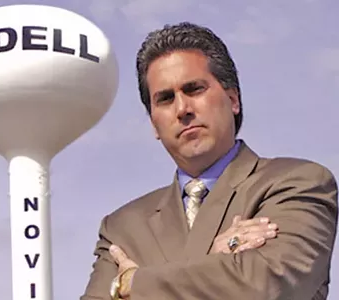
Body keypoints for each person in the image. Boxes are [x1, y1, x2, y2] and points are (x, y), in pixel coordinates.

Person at [80, 22, 338, 300]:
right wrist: (217, 264)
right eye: (165, 99)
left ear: (233, 99)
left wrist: (132, 283)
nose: (182, 109)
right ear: (154, 124)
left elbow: (265, 286)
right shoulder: (122, 227)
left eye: (194, 89)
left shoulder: (297, 183)